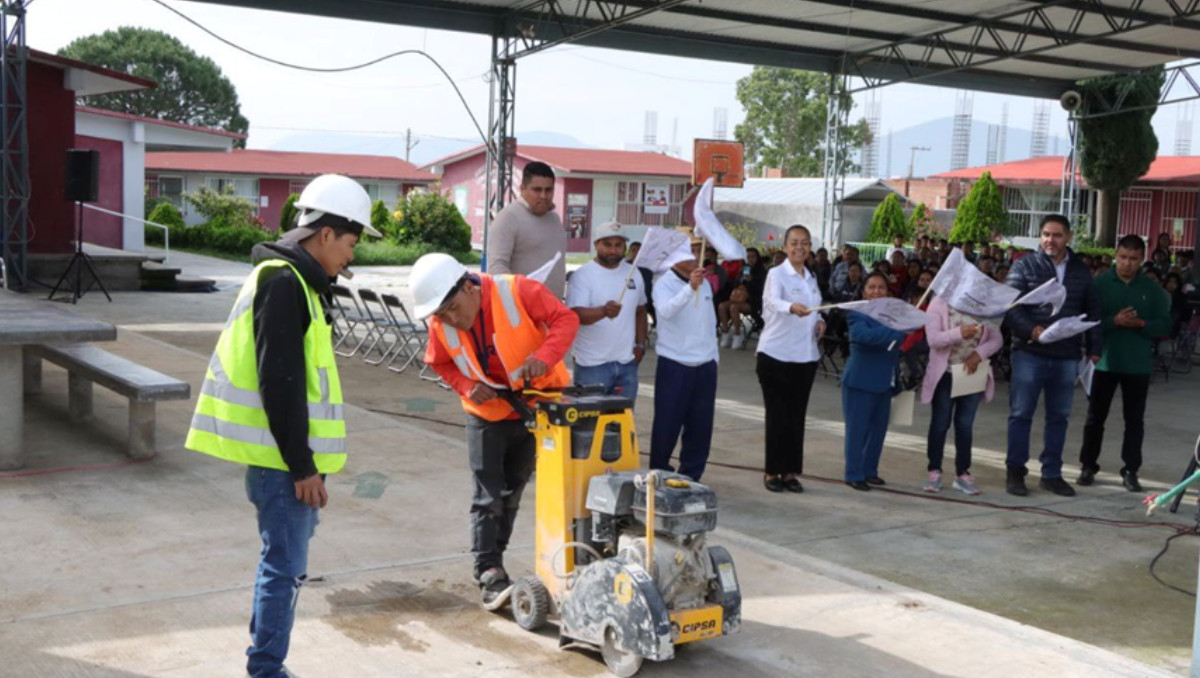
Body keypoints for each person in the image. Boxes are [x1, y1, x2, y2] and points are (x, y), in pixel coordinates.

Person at [183, 174, 380, 678]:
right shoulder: (284, 282)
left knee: (285, 566)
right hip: (282, 465)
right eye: (351, 244)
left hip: (284, 462)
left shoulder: (296, 282)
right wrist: (303, 466)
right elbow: (282, 381)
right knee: (284, 570)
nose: (351, 257)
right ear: (326, 234)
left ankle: (266, 664)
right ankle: (267, 669)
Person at [413, 252, 579, 605]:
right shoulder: (441, 322)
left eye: (454, 309)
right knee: (487, 495)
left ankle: (497, 557)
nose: (451, 320)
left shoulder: (519, 291)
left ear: (471, 287)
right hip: (485, 413)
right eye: (442, 315)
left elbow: (565, 320)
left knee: (513, 490)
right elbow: (440, 363)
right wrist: (467, 386)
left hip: (535, 406)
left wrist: (544, 357)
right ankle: (488, 569)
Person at [1003, 214, 1101, 497]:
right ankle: (1015, 472)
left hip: (1067, 355)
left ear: (1068, 237)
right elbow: (1010, 307)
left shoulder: (1082, 271)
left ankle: (1052, 473)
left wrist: (1094, 349)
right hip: (1029, 352)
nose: (1050, 240)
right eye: (1046, 234)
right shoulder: (1024, 265)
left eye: (1057, 235)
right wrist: (1032, 330)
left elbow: (1093, 312)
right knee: (1021, 414)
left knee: (1059, 416)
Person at [1077, 235, 1170, 493]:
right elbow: (1087, 321)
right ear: (1116, 256)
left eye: (1133, 259)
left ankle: (1130, 470)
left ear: (1142, 260)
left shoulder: (1152, 290)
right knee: (1095, 418)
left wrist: (1141, 324)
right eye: (1123, 257)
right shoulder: (1100, 284)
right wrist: (1113, 321)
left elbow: (1165, 324)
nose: (1127, 264)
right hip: (1104, 361)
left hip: (1137, 365)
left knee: (1134, 420)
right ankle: (1087, 465)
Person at [756, 225, 825, 494]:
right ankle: (772, 470)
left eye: (805, 243)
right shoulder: (776, 274)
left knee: (796, 416)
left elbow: (816, 308)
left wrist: (820, 322)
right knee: (777, 415)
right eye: (794, 243)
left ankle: (790, 471)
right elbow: (771, 302)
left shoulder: (811, 277)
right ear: (784, 246)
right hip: (776, 355)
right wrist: (790, 307)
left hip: (805, 356)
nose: (800, 248)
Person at [650, 230, 719, 481]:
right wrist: (690, 288)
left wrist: (714, 357)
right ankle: (658, 472)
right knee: (668, 422)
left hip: (704, 363)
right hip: (675, 363)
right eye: (690, 249)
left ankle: (692, 474)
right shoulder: (663, 282)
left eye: (699, 249)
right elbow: (666, 312)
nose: (695, 256)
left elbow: (709, 323)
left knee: (701, 425)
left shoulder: (706, 282)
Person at [920, 295, 1003, 495]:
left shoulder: (983, 304)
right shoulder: (939, 303)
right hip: (945, 374)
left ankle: (962, 473)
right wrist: (958, 333)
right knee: (940, 423)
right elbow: (933, 339)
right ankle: (934, 470)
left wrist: (979, 354)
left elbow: (997, 338)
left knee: (965, 425)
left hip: (971, 374)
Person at [566, 221, 648, 400]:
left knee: (621, 425)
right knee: (589, 426)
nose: (613, 250)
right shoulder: (582, 275)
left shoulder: (634, 273)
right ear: (596, 244)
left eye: (618, 245)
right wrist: (603, 311)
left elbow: (641, 310)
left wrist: (640, 344)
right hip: (592, 366)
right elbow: (575, 316)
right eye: (607, 244)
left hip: (627, 364)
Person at [841, 272, 907, 491]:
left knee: (878, 431)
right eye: (872, 287)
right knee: (857, 431)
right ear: (864, 291)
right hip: (860, 380)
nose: (877, 291)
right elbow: (865, 336)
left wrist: (902, 328)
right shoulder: (856, 314)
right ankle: (854, 473)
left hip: (885, 381)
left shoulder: (893, 316)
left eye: (881, 288)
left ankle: (870, 471)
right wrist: (896, 329)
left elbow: (905, 338)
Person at [486, 161, 568, 297]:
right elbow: (497, 267)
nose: (543, 195)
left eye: (548, 190)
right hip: (522, 310)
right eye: (537, 190)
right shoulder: (508, 217)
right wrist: (519, 299)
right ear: (522, 188)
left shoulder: (554, 219)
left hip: (553, 311)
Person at [1164, 272, 1194, 338]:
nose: (1171, 285)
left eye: (1174, 282)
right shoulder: (1160, 295)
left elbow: (1184, 316)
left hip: (1173, 327)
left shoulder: (1182, 298)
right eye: (1169, 282)